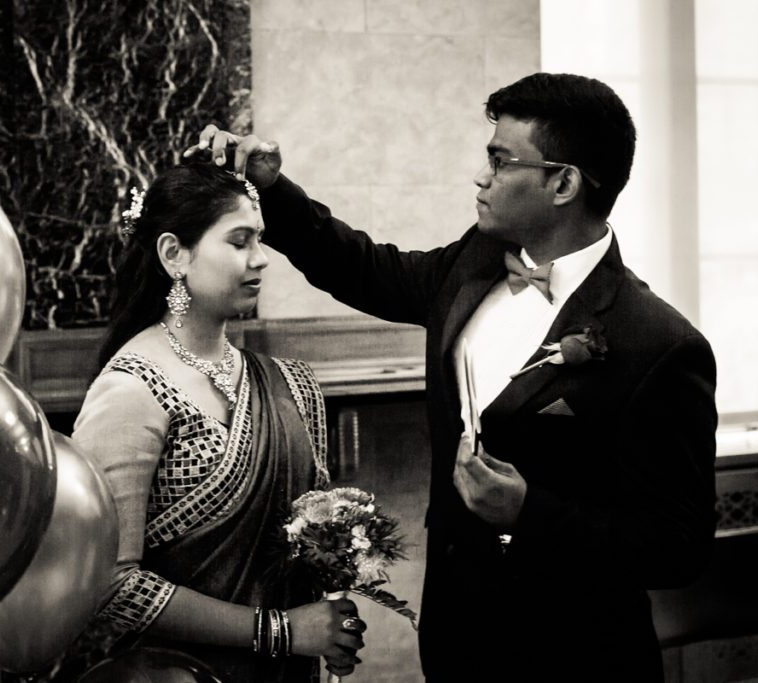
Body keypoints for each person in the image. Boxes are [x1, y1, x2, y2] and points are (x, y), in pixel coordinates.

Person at [185, 72, 718, 682]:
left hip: (578, 657)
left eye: (499, 159)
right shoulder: (475, 262)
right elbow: (365, 269)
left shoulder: (661, 346)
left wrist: (531, 512)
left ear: (564, 182)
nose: (480, 175)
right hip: (457, 643)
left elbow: (678, 547)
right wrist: (272, 192)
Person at [45, 160, 366, 682]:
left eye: (260, 240)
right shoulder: (131, 390)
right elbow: (109, 587)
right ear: (174, 254)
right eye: (239, 242)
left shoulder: (290, 383)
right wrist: (281, 630)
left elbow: (312, 544)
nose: (261, 259)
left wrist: (330, 619)